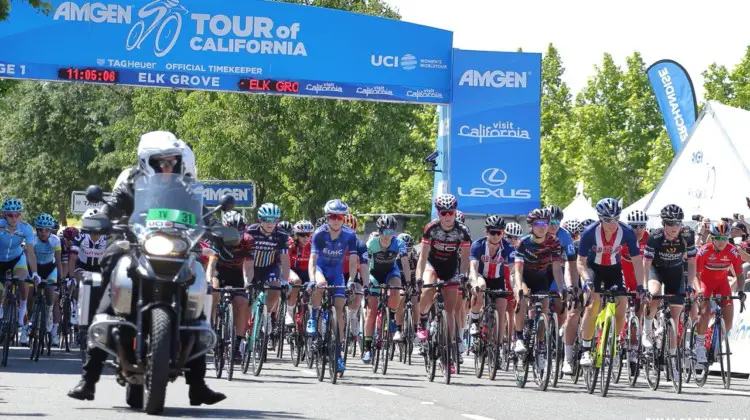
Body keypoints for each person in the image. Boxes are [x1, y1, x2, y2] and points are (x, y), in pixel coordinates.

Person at [68, 131, 226, 406]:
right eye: (160, 162)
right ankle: (88, 379)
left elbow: (203, 212)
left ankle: (198, 384)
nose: (167, 167)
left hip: (178, 245)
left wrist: (218, 229)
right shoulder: (131, 180)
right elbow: (113, 205)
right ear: (146, 162)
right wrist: (104, 218)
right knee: (111, 273)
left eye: (172, 162)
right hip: (133, 242)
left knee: (197, 294)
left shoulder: (187, 185)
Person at [576, 198, 643, 369]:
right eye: (607, 220)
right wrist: (586, 280)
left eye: (616, 218)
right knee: (593, 304)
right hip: (593, 269)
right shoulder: (589, 233)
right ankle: (585, 348)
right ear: (600, 218)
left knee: (622, 306)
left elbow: (637, 261)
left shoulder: (627, 232)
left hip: (614, 269)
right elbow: (580, 262)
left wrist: (640, 285)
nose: (612, 223)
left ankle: (614, 345)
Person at [416, 194, 471, 374]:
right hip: (433, 264)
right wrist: (418, 277)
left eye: (451, 213)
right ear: (439, 213)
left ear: (455, 212)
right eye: (443, 213)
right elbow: (423, 257)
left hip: (451, 267)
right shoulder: (430, 229)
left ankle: (448, 354)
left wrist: (463, 276)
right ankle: (423, 320)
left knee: (450, 310)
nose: (447, 216)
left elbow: (464, 259)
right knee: (428, 286)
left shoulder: (463, 231)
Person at [308, 199, 359, 373]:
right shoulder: (319, 234)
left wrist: (351, 279)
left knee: (339, 310)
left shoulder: (350, 235)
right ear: (327, 217)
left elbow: (353, 262)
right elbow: (313, 260)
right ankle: (314, 316)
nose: (336, 219)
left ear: (344, 218)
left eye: (339, 216)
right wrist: (311, 280)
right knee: (320, 285)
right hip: (321, 269)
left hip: (336, 273)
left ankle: (337, 354)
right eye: (332, 216)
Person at [694, 220, 746, 364]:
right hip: (705, 283)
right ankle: (699, 344)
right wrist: (699, 292)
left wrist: (741, 290)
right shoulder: (703, 251)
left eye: (725, 237)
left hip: (722, 284)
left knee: (728, 320)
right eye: (718, 238)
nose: (722, 241)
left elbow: (740, 275)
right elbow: (695, 276)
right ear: (712, 237)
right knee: (705, 311)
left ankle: (715, 342)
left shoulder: (733, 251)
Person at [513, 209, 564, 355]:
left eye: (545, 223)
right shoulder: (522, 243)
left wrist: (561, 288)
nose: (542, 227)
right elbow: (518, 270)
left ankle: (541, 343)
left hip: (541, 277)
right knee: (521, 298)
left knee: (545, 304)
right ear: (531, 226)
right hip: (524, 276)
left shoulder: (554, 242)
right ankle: (519, 338)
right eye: (538, 223)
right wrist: (519, 287)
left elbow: (556, 268)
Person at [206, 211, 254, 361]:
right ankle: (210, 327)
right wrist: (209, 281)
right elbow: (211, 264)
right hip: (218, 271)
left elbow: (248, 266)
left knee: (242, 302)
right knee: (214, 288)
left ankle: (237, 345)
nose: (236, 237)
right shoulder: (216, 238)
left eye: (240, 233)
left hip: (236, 273)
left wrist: (248, 283)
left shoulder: (248, 240)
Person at [361, 215, 408, 363]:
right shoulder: (371, 244)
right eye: (384, 232)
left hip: (390, 273)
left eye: (390, 233)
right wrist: (366, 283)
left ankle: (392, 318)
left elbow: (405, 264)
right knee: (372, 312)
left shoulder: (399, 243)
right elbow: (366, 265)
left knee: (396, 288)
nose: (387, 236)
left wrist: (410, 282)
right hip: (374, 274)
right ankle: (367, 348)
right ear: (379, 231)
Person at [468, 215, 514, 352]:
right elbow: (473, 268)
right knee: (480, 286)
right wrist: (474, 283)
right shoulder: (478, 245)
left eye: (498, 232)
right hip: (481, 277)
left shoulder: (508, 248)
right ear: (486, 232)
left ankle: (498, 348)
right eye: (492, 232)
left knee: (501, 313)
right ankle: (475, 321)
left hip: (497, 280)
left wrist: (516, 287)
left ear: (503, 233)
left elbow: (512, 272)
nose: (495, 236)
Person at [0, 198, 39, 345]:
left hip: (17, 258)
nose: (14, 218)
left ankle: (22, 316)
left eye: (17, 214)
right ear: (5, 215)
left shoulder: (26, 228)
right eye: (10, 215)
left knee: (22, 280)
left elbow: (30, 253)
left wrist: (34, 273)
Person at [32, 213, 63, 347]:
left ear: (50, 230)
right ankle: (29, 325)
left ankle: (49, 314)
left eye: (47, 230)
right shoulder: (32, 239)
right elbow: (29, 257)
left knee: (50, 293)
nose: (43, 233)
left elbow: (59, 261)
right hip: (36, 267)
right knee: (29, 296)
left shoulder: (55, 240)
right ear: (36, 230)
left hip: (50, 268)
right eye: (40, 230)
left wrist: (60, 279)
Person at [285, 220, 314, 326]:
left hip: (307, 271)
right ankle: (289, 312)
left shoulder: (313, 245)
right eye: (302, 235)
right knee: (297, 281)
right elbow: (285, 263)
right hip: (292, 270)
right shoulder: (291, 245)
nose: (305, 238)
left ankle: (306, 314)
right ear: (296, 235)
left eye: (308, 234)